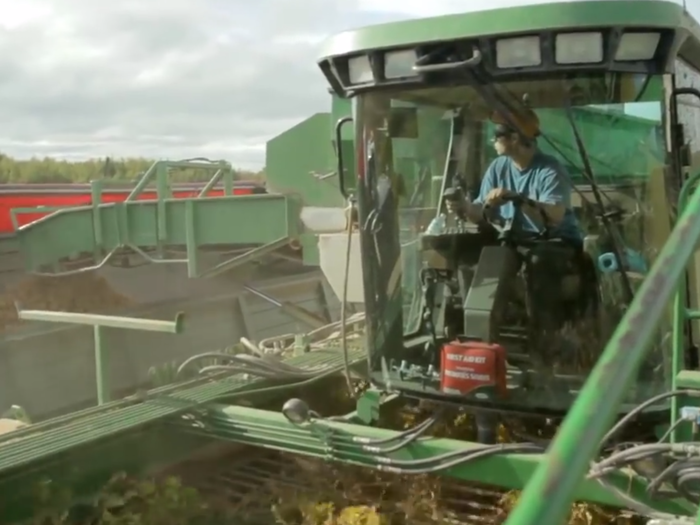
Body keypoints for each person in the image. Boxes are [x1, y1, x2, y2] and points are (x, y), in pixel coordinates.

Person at [447, 108, 582, 243]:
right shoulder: (497, 167)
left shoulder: (550, 170)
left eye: (497, 134)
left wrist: (518, 199)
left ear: (514, 138)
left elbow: (555, 215)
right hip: (514, 243)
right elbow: (480, 212)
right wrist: (465, 206)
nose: (492, 140)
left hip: (554, 244)